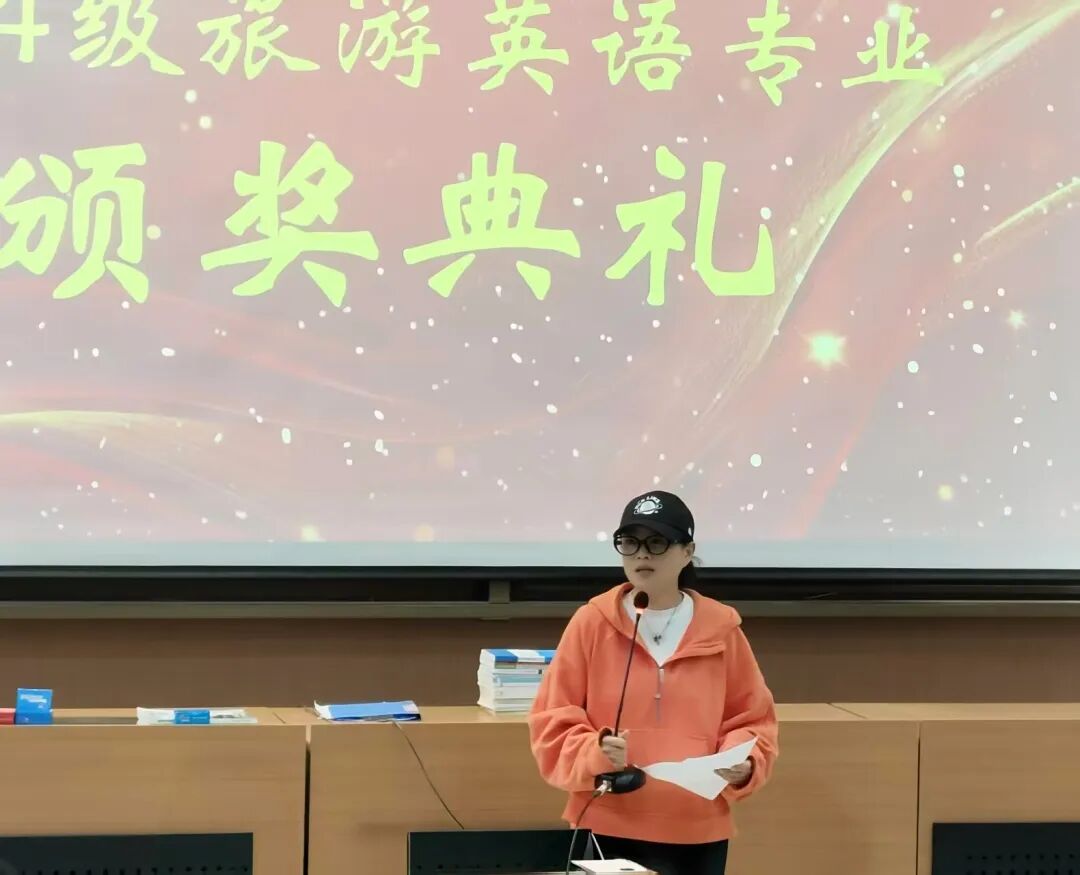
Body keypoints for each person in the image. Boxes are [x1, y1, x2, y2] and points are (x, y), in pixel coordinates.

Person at [528, 491, 778, 875]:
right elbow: (552, 718)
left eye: (657, 542)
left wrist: (744, 763)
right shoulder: (591, 623)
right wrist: (595, 750)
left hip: (698, 829)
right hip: (607, 821)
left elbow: (754, 721)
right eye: (630, 542)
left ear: (687, 551)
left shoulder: (722, 630)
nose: (642, 554)